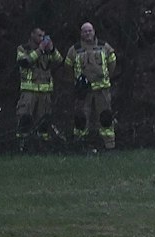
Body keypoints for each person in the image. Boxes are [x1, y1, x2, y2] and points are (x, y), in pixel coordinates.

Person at [67, 21, 118, 150]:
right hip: (84, 91)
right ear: (81, 34)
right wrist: (76, 81)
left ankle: (109, 145)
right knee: (81, 118)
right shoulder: (74, 49)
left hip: (102, 89)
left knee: (106, 117)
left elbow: (112, 62)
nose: (88, 33)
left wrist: (106, 76)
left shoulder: (104, 46)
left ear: (94, 31)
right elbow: (68, 66)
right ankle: (80, 144)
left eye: (90, 31)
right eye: (85, 31)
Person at [13, 27, 64, 151]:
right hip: (29, 90)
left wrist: (52, 49)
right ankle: (22, 146)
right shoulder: (23, 49)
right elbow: (25, 62)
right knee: (24, 119)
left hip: (45, 91)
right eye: (39, 35)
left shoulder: (47, 51)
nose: (42, 38)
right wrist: (39, 50)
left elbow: (59, 61)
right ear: (32, 35)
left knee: (44, 121)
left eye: (43, 36)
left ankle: (43, 146)